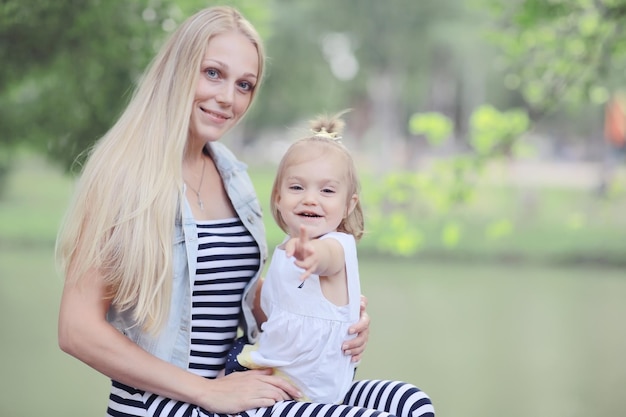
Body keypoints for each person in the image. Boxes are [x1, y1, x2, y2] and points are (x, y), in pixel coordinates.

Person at [56, 5, 435, 417]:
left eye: (244, 85)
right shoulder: (125, 177)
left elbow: (241, 300)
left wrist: (332, 315)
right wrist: (208, 392)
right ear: (178, 70)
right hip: (172, 405)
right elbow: (77, 330)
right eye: (213, 73)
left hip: (246, 376)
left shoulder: (231, 174)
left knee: (410, 404)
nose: (227, 98)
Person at [224, 114, 363, 404]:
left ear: (349, 204)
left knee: (409, 400)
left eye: (327, 191)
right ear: (278, 197)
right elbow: (272, 310)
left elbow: (330, 260)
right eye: (297, 187)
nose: (310, 199)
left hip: (316, 392)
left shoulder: (337, 245)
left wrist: (313, 255)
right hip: (277, 386)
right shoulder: (284, 252)